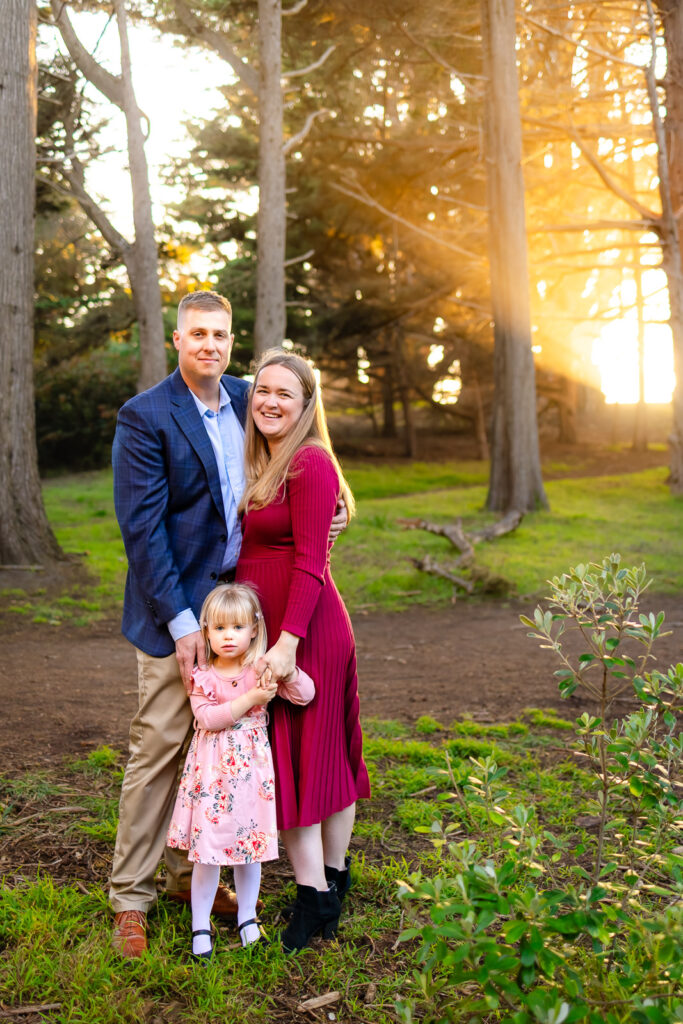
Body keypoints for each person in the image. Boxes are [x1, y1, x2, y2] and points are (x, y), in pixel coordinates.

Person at [110, 290, 345, 958]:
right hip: (176, 610)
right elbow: (142, 533)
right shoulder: (145, 416)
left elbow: (301, 459)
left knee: (233, 749)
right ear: (176, 341)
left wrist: (330, 512)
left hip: (248, 610)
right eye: (197, 334)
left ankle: (203, 876)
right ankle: (131, 898)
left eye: (219, 335)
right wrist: (184, 624)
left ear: (230, 341)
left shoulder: (252, 395)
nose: (208, 345)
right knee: (159, 746)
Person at [235, 349, 371, 953]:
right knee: (322, 758)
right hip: (284, 628)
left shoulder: (309, 462)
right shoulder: (268, 460)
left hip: (306, 631)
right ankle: (335, 880)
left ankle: (314, 898)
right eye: (262, 390)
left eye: (285, 393)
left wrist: (287, 644)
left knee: (296, 762)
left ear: (307, 404)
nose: (269, 401)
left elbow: (312, 562)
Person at [166, 583, 314, 958]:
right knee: (208, 852)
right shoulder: (203, 676)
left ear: (254, 629)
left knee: (248, 851)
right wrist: (251, 699)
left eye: (237, 627)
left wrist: (288, 670)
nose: (228, 636)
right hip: (212, 776)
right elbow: (207, 717)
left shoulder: (259, 669)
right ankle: (201, 924)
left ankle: (247, 917)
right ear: (206, 632)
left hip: (250, 778)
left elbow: (305, 695)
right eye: (219, 628)